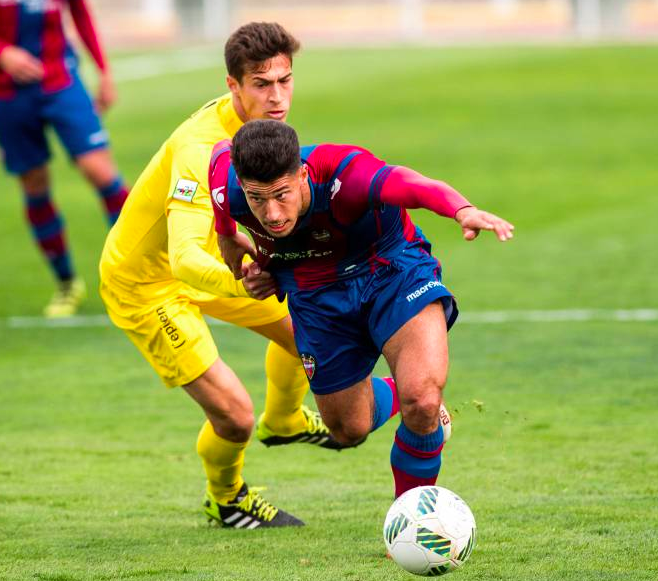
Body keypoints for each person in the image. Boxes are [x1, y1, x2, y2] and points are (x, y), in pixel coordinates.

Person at [100, 22, 345, 530]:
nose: (277, 97)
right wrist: (250, 280)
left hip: (211, 265)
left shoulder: (260, 131)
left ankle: (283, 421)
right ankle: (227, 497)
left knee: (307, 328)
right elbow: (185, 258)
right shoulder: (199, 150)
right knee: (233, 415)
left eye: (285, 80)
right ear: (233, 85)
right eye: (262, 84)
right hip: (147, 284)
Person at [210, 120, 515, 499]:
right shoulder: (232, 186)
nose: (271, 213)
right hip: (318, 298)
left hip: (391, 272)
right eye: (257, 199)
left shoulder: (346, 175)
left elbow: (412, 185)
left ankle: (413, 519)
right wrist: (227, 236)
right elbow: (217, 160)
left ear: (302, 175)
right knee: (348, 429)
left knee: (421, 399)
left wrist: (461, 210)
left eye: (281, 194)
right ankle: (400, 393)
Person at [0, 0, 129, 318]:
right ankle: (67, 282)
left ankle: (143, 271)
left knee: (101, 172)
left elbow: (81, 13)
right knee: (34, 184)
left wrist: (104, 71)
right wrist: (3, 52)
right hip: (9, 93)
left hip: (62, 82)